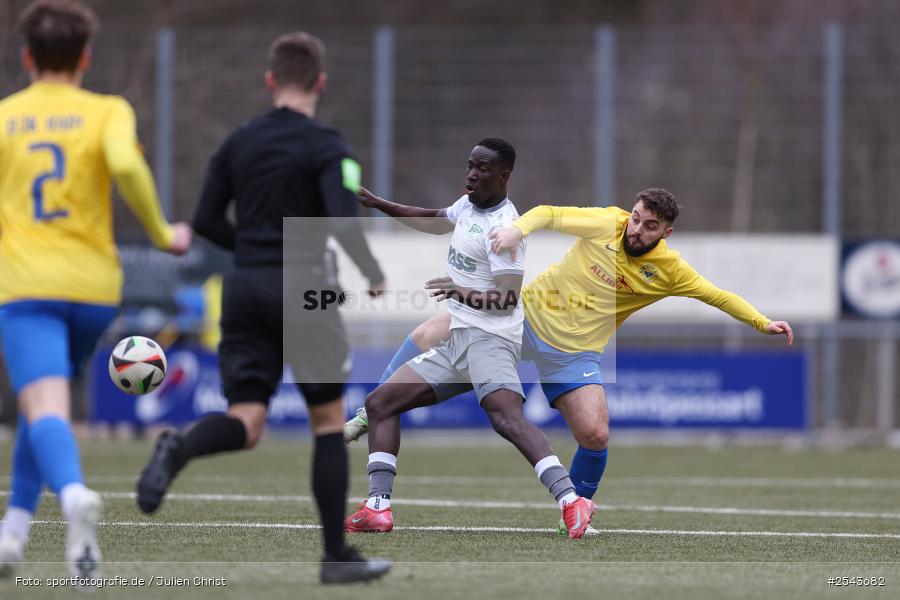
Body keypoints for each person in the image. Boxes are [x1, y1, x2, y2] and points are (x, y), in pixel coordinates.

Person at [345, 188, 795, 536]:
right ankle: (370, 412)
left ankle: (573, 511)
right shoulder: (607, 223)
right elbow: (549, 213)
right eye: (636, 218)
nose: (636, 229)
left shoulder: (671, 271)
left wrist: (761, 323)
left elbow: (717, 295)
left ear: (666, 233)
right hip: (521, 318)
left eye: (649, 226)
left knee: (596, 433)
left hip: (574, 352)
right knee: (429, 331)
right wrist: (519, 229)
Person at [134, 31, 391, 584]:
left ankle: (178, 448)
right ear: (320, 82)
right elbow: (341, 221)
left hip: (246, 287)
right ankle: (335, 558)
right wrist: (371, 272)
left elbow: (203, 220)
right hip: (307, 288)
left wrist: (252, 249)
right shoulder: (329, 146)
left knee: (246, 420)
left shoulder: (237, 143)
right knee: (327, 424)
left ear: (271, 81)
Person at [0, 0, 192, 587]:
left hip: (27, 286)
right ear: (84, 58)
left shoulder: (5, 116)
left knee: (45, 405)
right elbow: (126, 169)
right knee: (43, 407)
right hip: (93, 289)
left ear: (27, 57)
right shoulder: (108, 110)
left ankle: (76, 493)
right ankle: (12, 531)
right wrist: (162, 232)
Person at [343, 139, 597, 540]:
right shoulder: (468, 206)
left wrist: (460, 292)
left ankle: (571, 500)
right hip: (458, 338)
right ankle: (377, 508)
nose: (471, 174)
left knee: (506, 418)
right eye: (469, 166)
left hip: (491, 339)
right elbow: (431, 218)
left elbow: (507, 299)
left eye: (481, 168)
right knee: (380, 403)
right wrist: (379, 204)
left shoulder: (503, 230)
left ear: (504, 176)